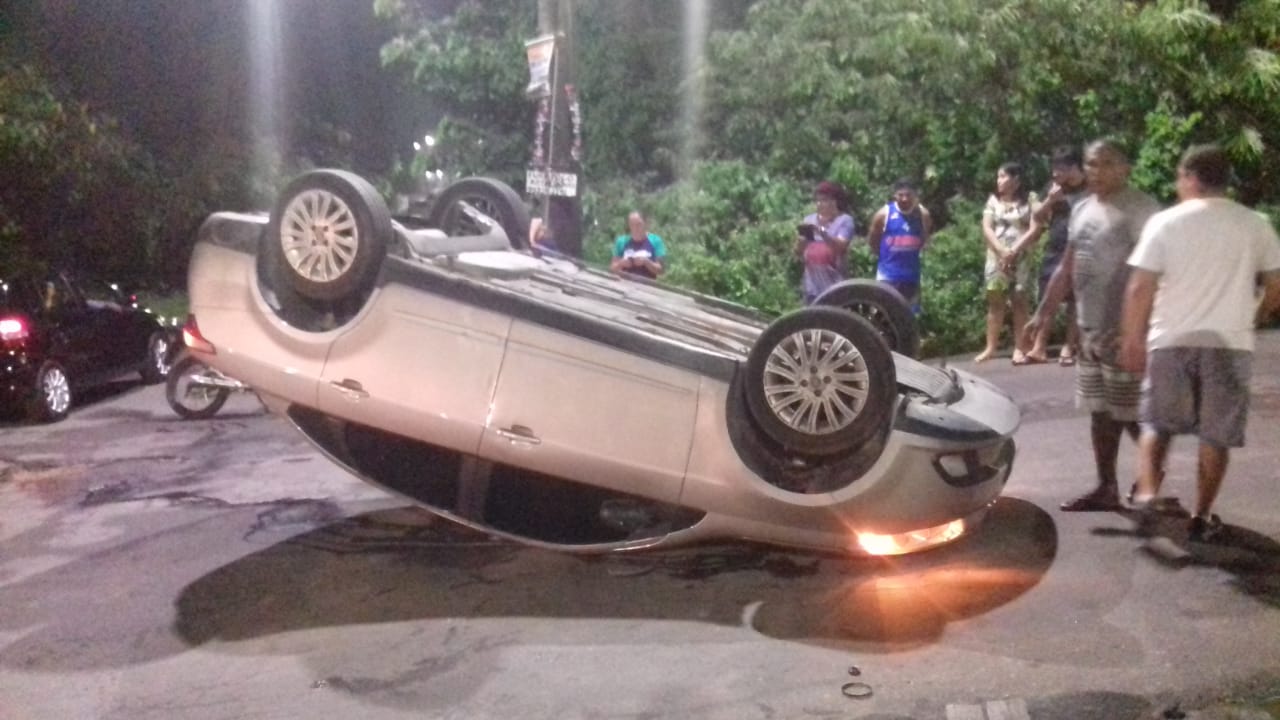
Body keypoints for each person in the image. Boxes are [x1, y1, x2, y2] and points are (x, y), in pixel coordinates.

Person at [1119, 144, 1280, 541]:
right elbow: (1275, 286)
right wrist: (1254, 316)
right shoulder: (1255, 223)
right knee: (1215, 435)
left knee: (1158, 423)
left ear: (1190, 176)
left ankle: (1149, 494)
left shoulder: (1164, 223)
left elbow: (1140, 286)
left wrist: (1132, 339)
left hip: (1171, 338)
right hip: (1229, 341)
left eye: (1178, 177)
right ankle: (1201, 515)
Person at [1026, 139, 1161, 512]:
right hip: (1090, 329)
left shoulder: (1142, 210)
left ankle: (1154, 477)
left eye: (1104, 164)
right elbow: (1067, 267)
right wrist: (1043, 313)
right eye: (1090, 165)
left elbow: (1152, 275)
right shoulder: (1082, 208)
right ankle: (1106, 487)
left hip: (1125, 330)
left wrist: (1137, 330)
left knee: (1130, 411)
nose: (1094, 172)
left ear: (1125, 168)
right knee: (1100, 411)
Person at [1022, 146, 1087, 365]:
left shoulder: (1091, 187)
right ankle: (1039, 347)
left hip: (1082, 247)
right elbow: (1038, 216)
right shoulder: (1054, 187)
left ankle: (1069, 347)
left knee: (1075, 300)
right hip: (1055, 247)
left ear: (1074, 167)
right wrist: (1050, 200)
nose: (1054, 174)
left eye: (1059, 169)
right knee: (1048, 295)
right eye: (1053, 168)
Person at [975, 162, 1036, 364]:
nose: (999, 181)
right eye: (998, 177)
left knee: (1020, 300)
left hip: (1021, 256)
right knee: (995, 302)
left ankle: (1021, 347)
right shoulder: (993, 202)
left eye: (1003, 176)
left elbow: (1036, 227)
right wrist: (1001, 251)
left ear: (1016, 180)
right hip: (997, 256)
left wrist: (1014, 250)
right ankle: (990, 347)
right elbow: (986, 227)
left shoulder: (1029, 200)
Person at [867, 179, 932, 314]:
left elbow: (925, 239)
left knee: (910, 317)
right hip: (888, 276)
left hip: (911, 277)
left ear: (914, 195)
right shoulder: (884, 214)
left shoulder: (922, 214)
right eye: (900, 195)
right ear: (895, 195)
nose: (904, 199)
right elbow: (873, 240)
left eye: (908, 195)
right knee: (885, 314)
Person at [794, 180, 856, 304]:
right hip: (811, 288)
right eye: (817, 201)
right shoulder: (809, 220)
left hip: (834, 287)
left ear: (834, 202)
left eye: (823, 200)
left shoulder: (845, 221)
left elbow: (840, 247)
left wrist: (822, 232)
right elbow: (797, 252)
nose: (819, 204)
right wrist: (801, 242)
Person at [611, 211, 667, 280]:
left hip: (647, 286)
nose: (635, 228)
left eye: (639, 224)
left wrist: (646, 262)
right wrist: (621, 263)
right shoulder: (621, 241)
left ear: (645, 224)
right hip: (624, 284)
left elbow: (661, 271)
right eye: (632, 225)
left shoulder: (655, 241)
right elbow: (612, 269)